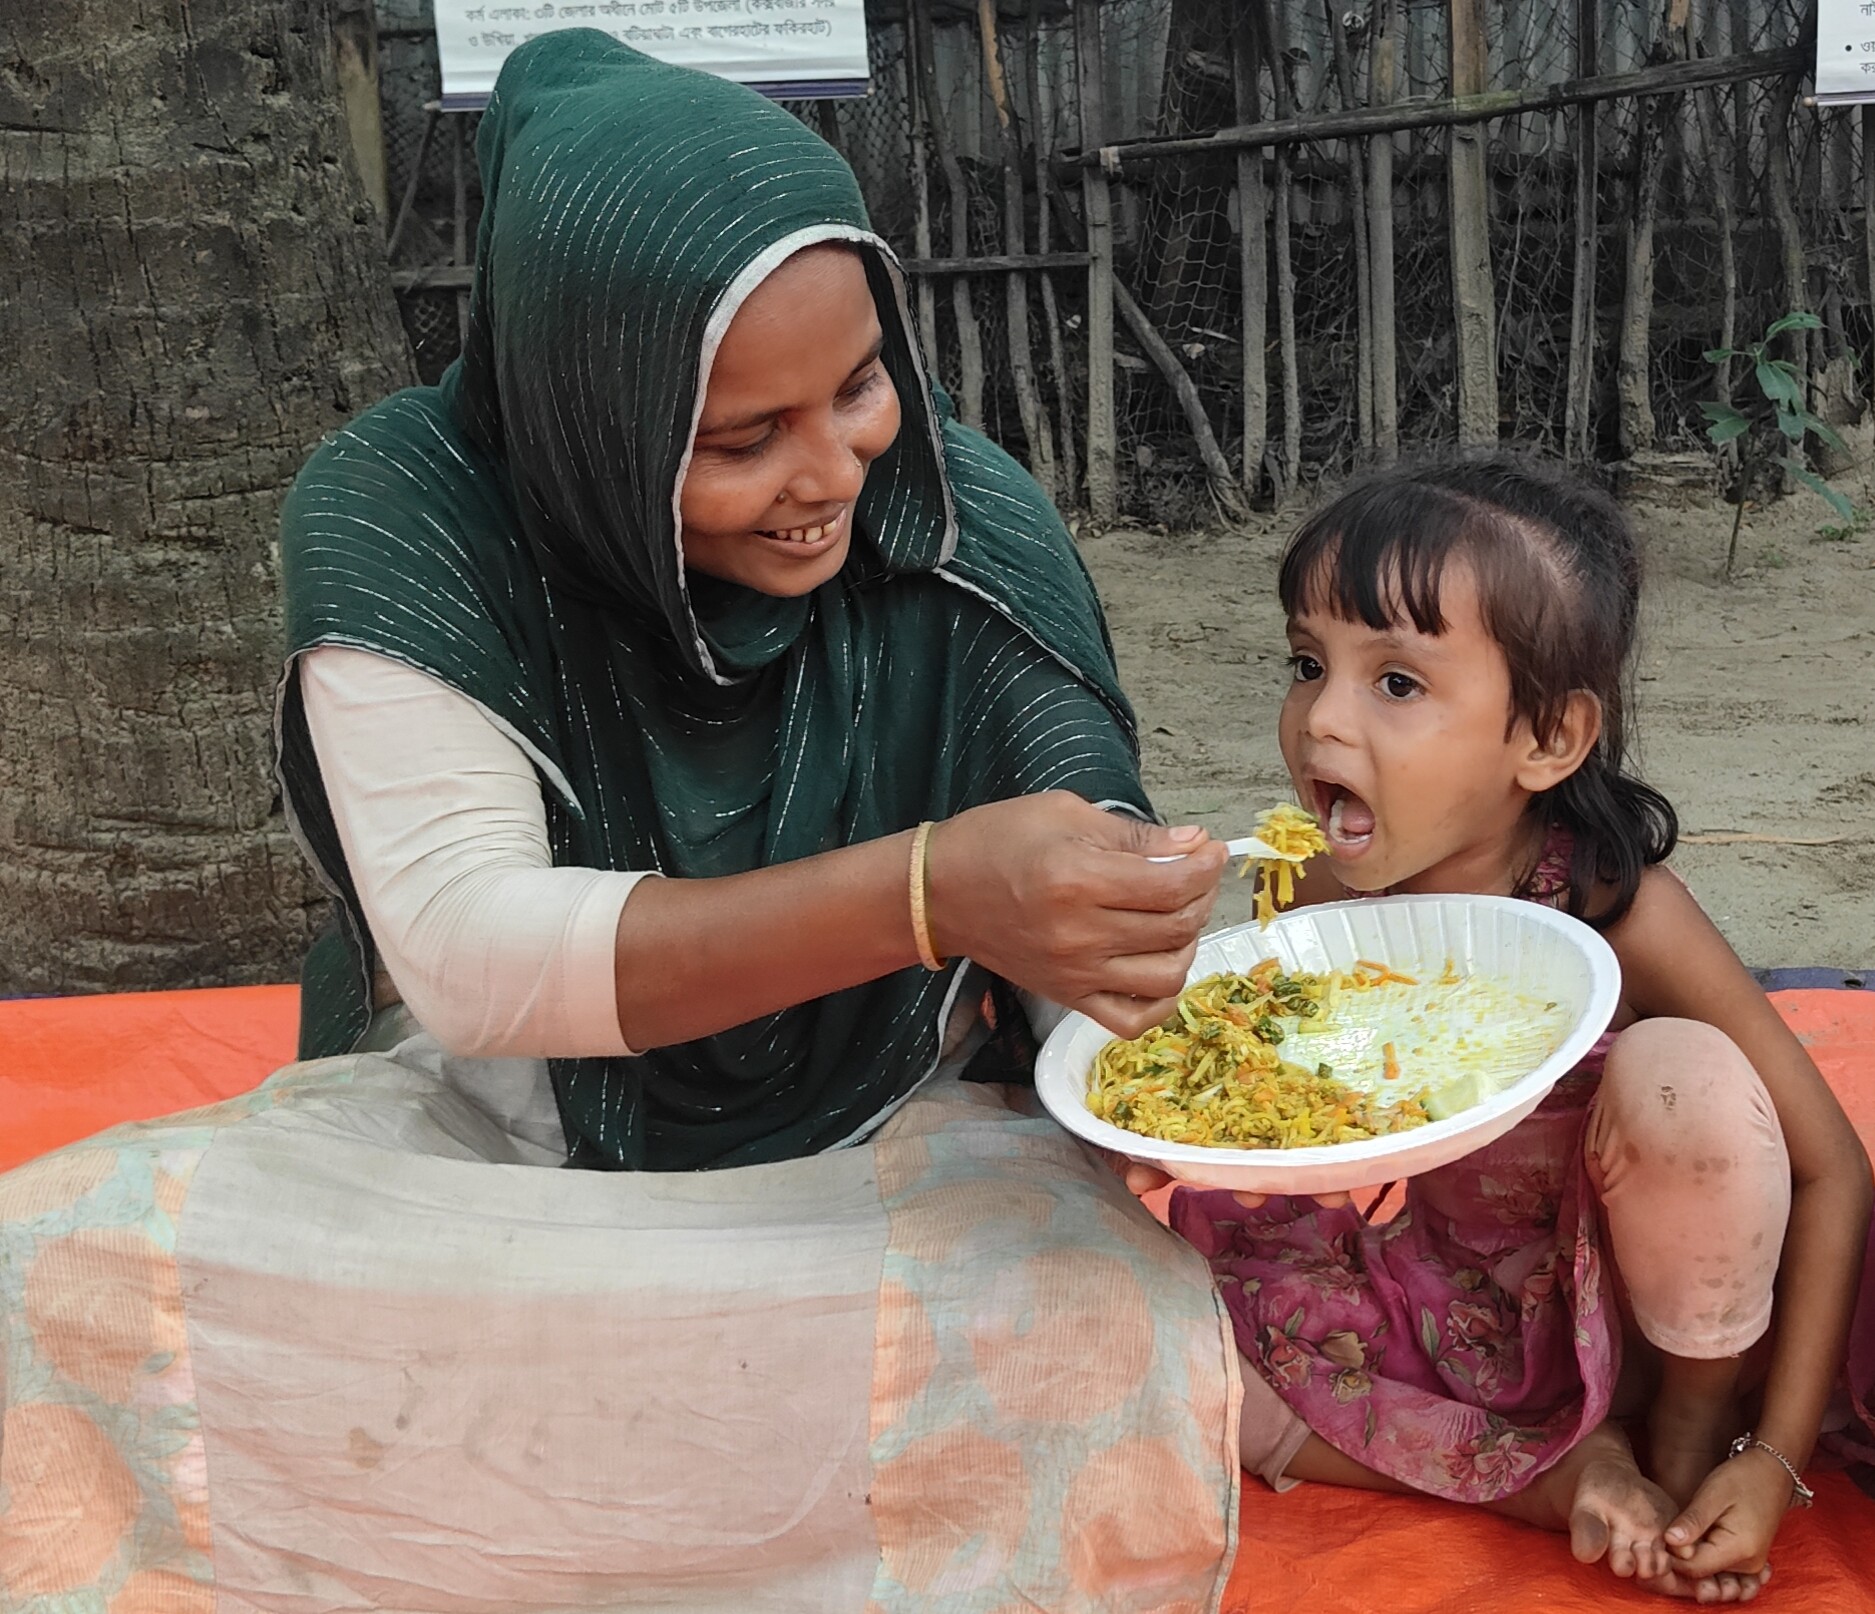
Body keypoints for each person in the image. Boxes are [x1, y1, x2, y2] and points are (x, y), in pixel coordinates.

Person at [0, 34, 1244, 1607]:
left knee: (1099, 1332)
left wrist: (1116, 927)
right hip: (492, 1152)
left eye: (859, 385)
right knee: (57, 1278)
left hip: (880, 1139)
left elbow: (1081, 848)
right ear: (593, 406)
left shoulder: (947, 513)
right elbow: (469, 956)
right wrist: (928, 889)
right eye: (737, 441)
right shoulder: (407, 515)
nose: (830, 475)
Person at [1169, 455, 1873, 1603]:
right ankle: (1558, 1483)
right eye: (1308, 664)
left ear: (1547, 738)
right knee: (1163, 1350)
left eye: (1396, 682)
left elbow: (1833, 1168)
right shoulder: (1307, 910)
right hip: (1457, 1317)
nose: (1321, 721)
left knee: (1685, 1079)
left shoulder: (1614, 905)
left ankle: (1684, 1448)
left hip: (1670, 1327)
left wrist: (1776, 1460)